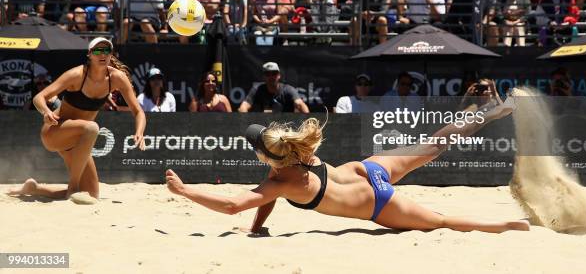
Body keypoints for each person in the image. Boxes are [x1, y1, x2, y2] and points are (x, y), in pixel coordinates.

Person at [166, 80, 528, 233]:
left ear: (267, 158)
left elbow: (231, 205)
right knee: (436, 142)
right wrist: (258, 226)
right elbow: (266, 199)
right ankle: (493, 112)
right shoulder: (298, 153)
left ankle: (507, 227)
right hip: (368, 168)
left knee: (442, 222)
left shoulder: (280, 181)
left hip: (377, 200)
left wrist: (184, 192)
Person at [8, 38, 145, 200]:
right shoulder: (77, 75)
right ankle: (72, 188)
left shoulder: (117, 78)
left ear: (111, 54)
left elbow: (138, 112)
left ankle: (35, 188)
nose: (102, 54)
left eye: (106, 51)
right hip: (55, 132)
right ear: (89, 54)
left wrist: (140, 132)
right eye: (97, 51)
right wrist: (46, 112)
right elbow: (39, 97)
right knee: (92, 128)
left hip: (79, 141)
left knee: (91, 195)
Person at [238, 62, 309, 113]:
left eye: (274, 73)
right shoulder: (257, 89)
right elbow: (243, 107)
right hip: (263, 127)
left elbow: (300, 104)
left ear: (279, 75)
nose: (271, 77)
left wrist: (308, 125)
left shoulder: (288, 89)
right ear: (263, 76)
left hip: (285, 128)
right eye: (268, 74)